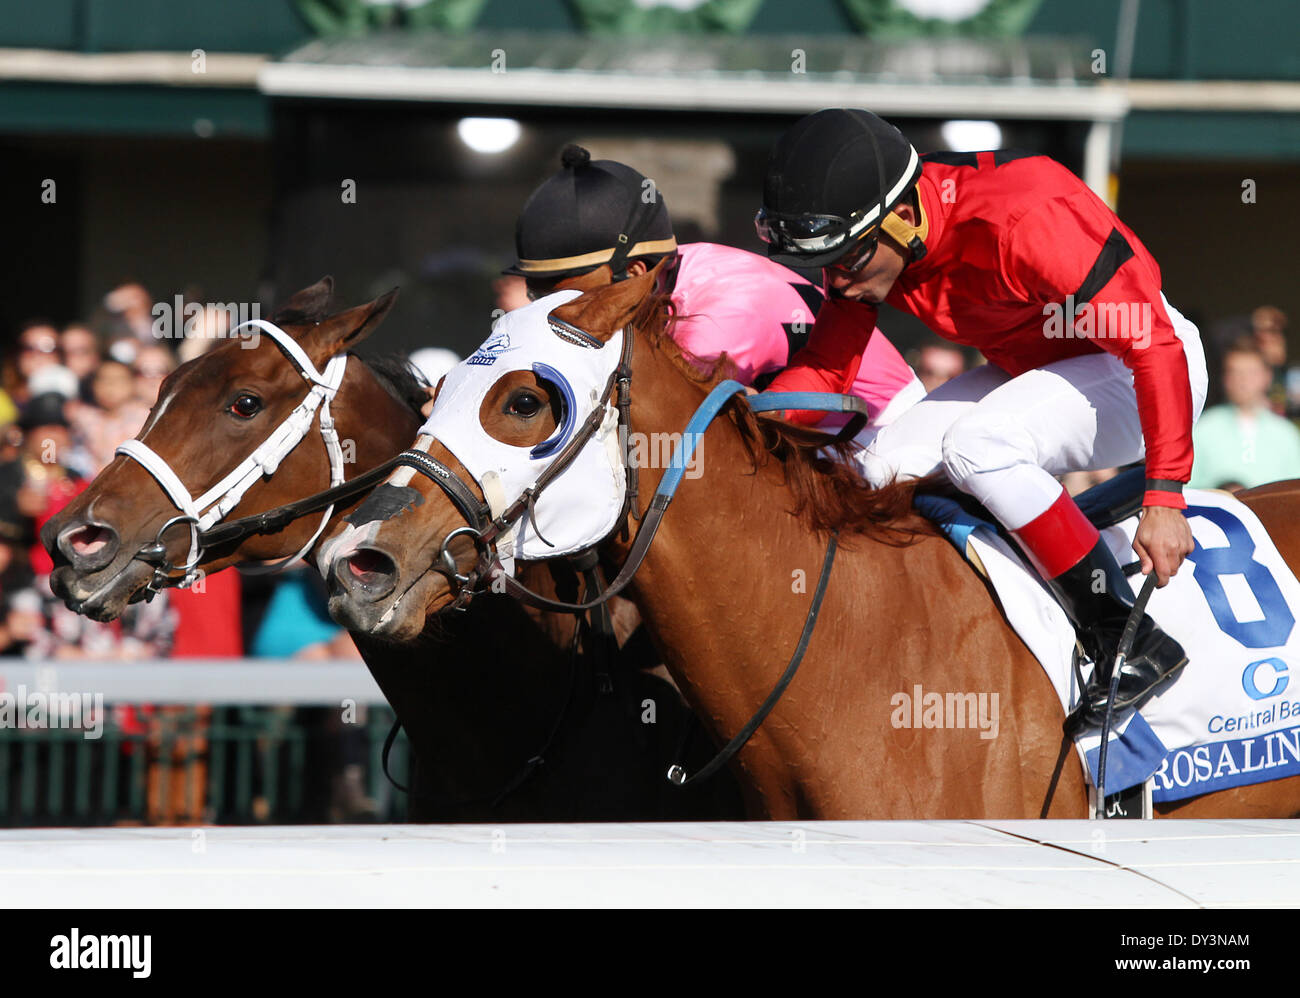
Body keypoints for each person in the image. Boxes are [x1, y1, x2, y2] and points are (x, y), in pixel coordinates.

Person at [756, 108, 1209, 723]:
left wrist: (1166, 496)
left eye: (850, 259)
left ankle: (1128, 642)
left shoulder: (1024, 216)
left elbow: (1155, 346)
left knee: (981, 443)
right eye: (824, 263)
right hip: (1042, 368)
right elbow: (829, 371)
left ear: (906, 217)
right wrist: (744, 426)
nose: (837, 280)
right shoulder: (878, 239)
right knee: (876, 470)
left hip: (1143, 366)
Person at [501, 144, 924, 435]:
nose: (554, 312)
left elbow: (659, 435)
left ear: (632, 273)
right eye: (541, 296)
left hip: (876, 435)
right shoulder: (661, 274)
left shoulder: (713, 323)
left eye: (568, 296)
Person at [1189, 338, 1300, 491]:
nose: (1243, 381)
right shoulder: (1202, 429)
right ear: (1225, 378)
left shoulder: (1287, 434)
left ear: (1267, 376)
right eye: (1235, 372)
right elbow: (1188, 490)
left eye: (1251, 373)